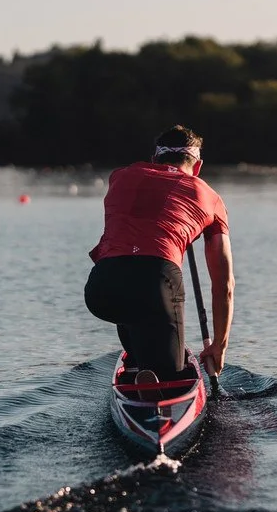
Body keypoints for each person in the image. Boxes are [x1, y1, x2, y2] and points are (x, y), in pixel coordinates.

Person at [84, 125, 234, 380]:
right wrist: (218, 346)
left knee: (133, 306)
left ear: (155, 159)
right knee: (171, 374)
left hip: (102, 287)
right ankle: (158, 378)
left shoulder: (119, 176)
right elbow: (224, 284)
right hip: (156, 281)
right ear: (197, 167)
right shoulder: (210, 197)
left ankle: (139, 364)